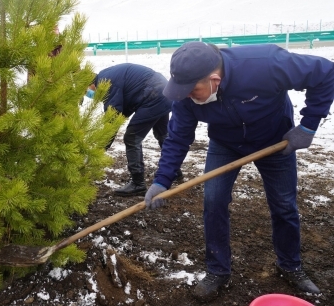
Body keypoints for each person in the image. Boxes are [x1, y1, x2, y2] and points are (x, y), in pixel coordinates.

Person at [146, 41, 334, 301]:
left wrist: (308, 126)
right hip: (225, 143)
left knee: (284, 205)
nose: (187, 95)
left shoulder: (265, 63)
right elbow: (178, 138)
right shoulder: (185, 95)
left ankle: (290, 265)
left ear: (214, 79)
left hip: (275, 140)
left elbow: (326, 73)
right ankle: (217, 270)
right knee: (213, 201)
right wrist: (162, 180)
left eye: (193, 90)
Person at [87, 63, 178, 196]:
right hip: (162, 90)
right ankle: (174, 170)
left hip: (152, 94)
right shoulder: (106, 74)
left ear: (90, 84)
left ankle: (138, 183)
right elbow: (124, 108)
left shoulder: (104, 83)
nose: (90, 95)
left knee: (132, 137)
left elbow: (113, 117)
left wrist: (100, 147)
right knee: (162, 134)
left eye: (87, 91)